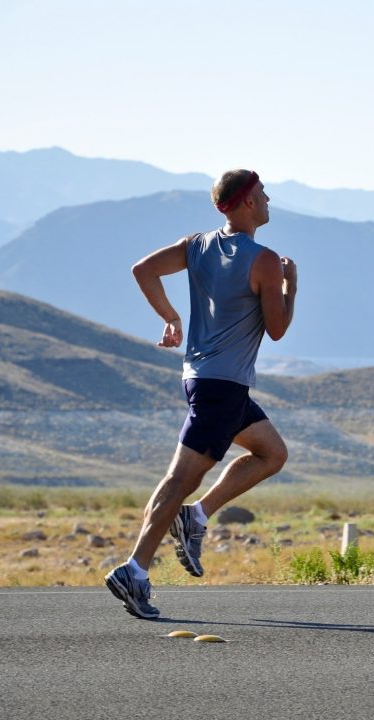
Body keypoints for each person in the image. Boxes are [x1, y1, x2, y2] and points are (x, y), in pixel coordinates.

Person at [105, 169, 297, 619]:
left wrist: (171, 317)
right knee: (180, 479)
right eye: (264, 195)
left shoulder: (197, 245)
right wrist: (291, 286)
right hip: (222, 387)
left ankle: (196, 516)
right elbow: (277, 329)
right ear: (247, 201)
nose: (269, 201)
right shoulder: (265, 261)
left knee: (272, 453)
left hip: (204, 379)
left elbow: (143, 269)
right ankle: (134, 570)